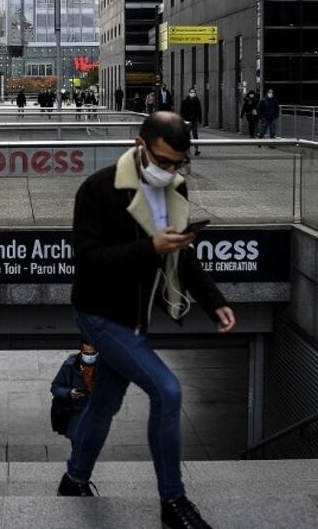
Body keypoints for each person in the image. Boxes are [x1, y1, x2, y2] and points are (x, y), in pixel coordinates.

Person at [57, 112, 236, 529]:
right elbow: (89, 259)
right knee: (168, 392)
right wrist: (150, 248)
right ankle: (173, 502)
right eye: (163, 160)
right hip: (99, 314)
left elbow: (180, 255)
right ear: (140, 144)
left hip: (135, 316)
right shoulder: (99, 189)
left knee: (104, 402)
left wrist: (213, 302)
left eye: (178, 163)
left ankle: (74, 478)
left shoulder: (174, 187)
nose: (170, 170)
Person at [50, 341, 100, 441]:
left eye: (92, 354)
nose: (89, 356)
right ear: (81, 352)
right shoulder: (70, 366)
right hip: (77, 413)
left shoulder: (103, 366)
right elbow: (55, 388)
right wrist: (69, 393)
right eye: (86, 353)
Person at [180, 87, 203, 156]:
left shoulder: (197, 101)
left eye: (193, 92)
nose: (192, 93)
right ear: (189, 93)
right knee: (187, 135)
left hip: (194, 120)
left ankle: (196, 149)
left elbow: (199, 110)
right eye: (191, 92)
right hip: (187, 120)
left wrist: (199, 119)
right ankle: (187, 150)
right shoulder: (185, 101)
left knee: (195, 134)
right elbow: (182, 111)